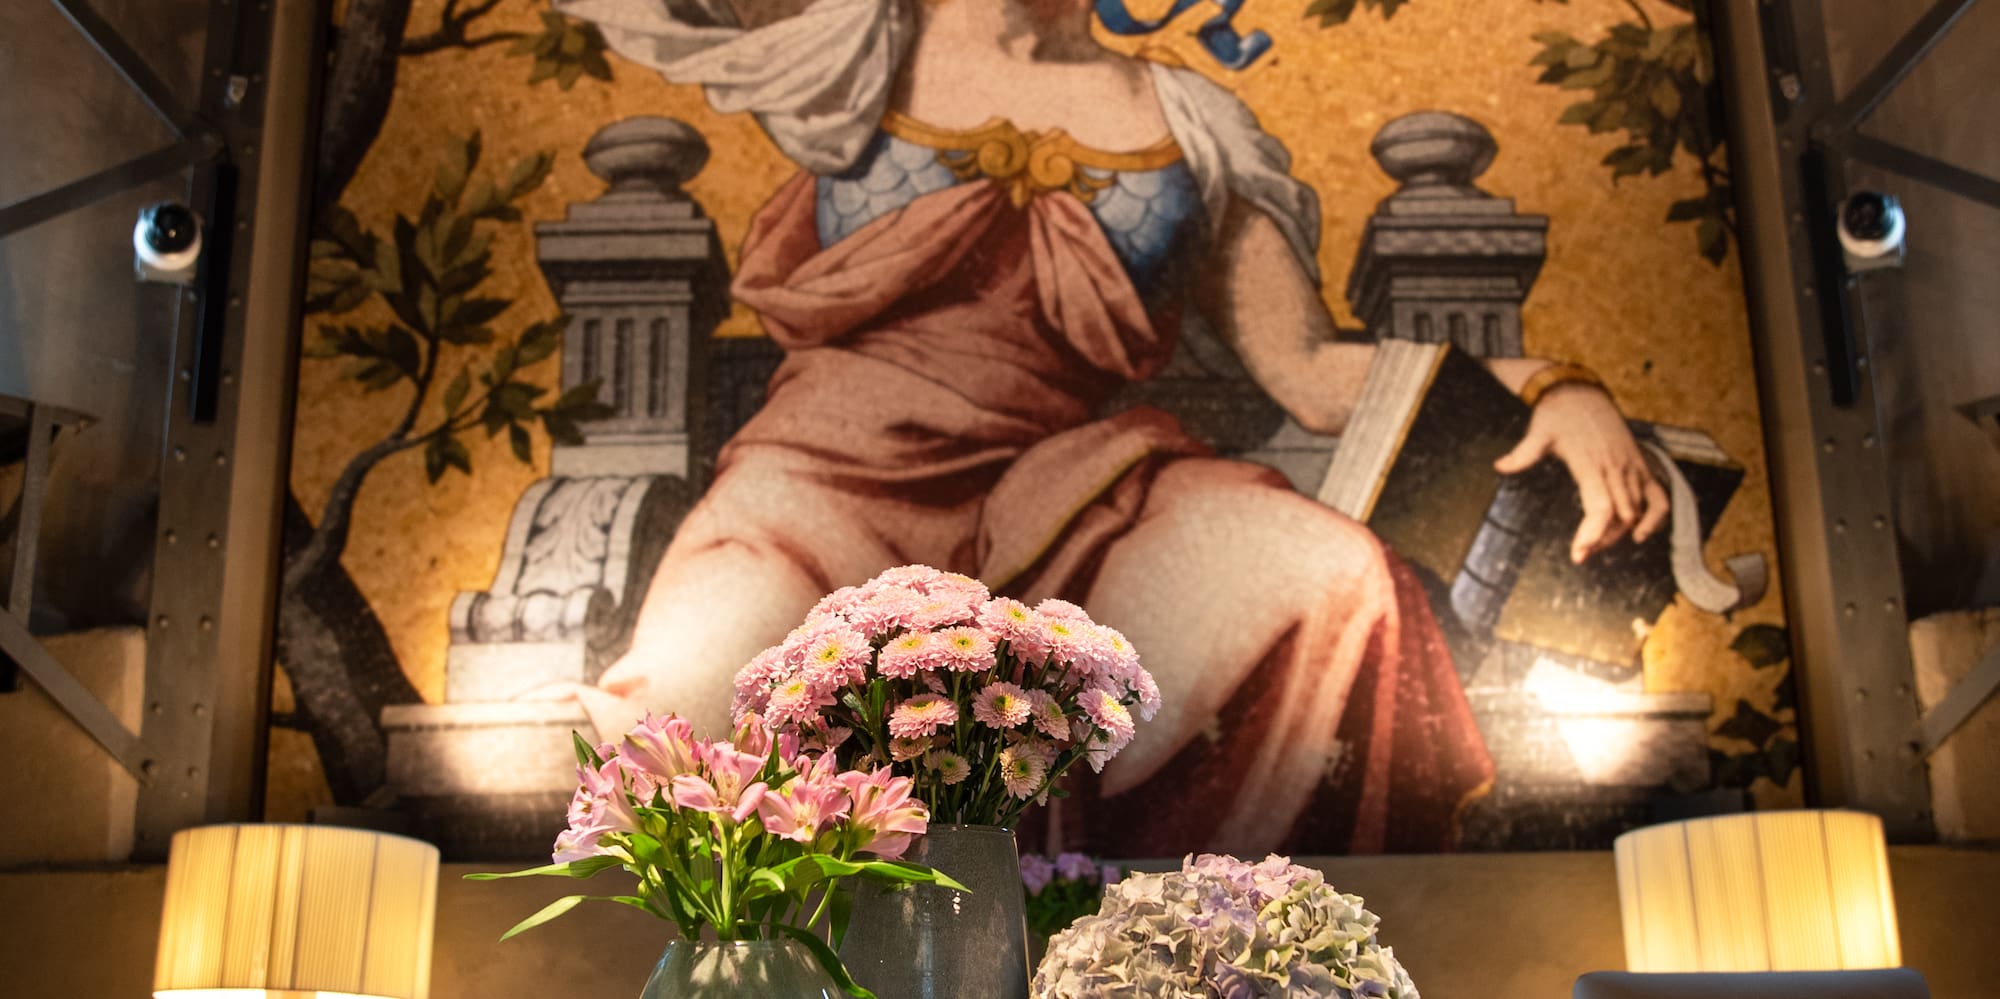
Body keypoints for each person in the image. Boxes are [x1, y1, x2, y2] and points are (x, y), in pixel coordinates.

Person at [540, 0, 1668, 854]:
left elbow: (1314, 373)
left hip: (1068, 487)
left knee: (1324, 575)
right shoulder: (851, 42)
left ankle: (1184, 950)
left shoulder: (1190, 118)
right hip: (818, 482)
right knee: (685, 703)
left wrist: (1555, 387)